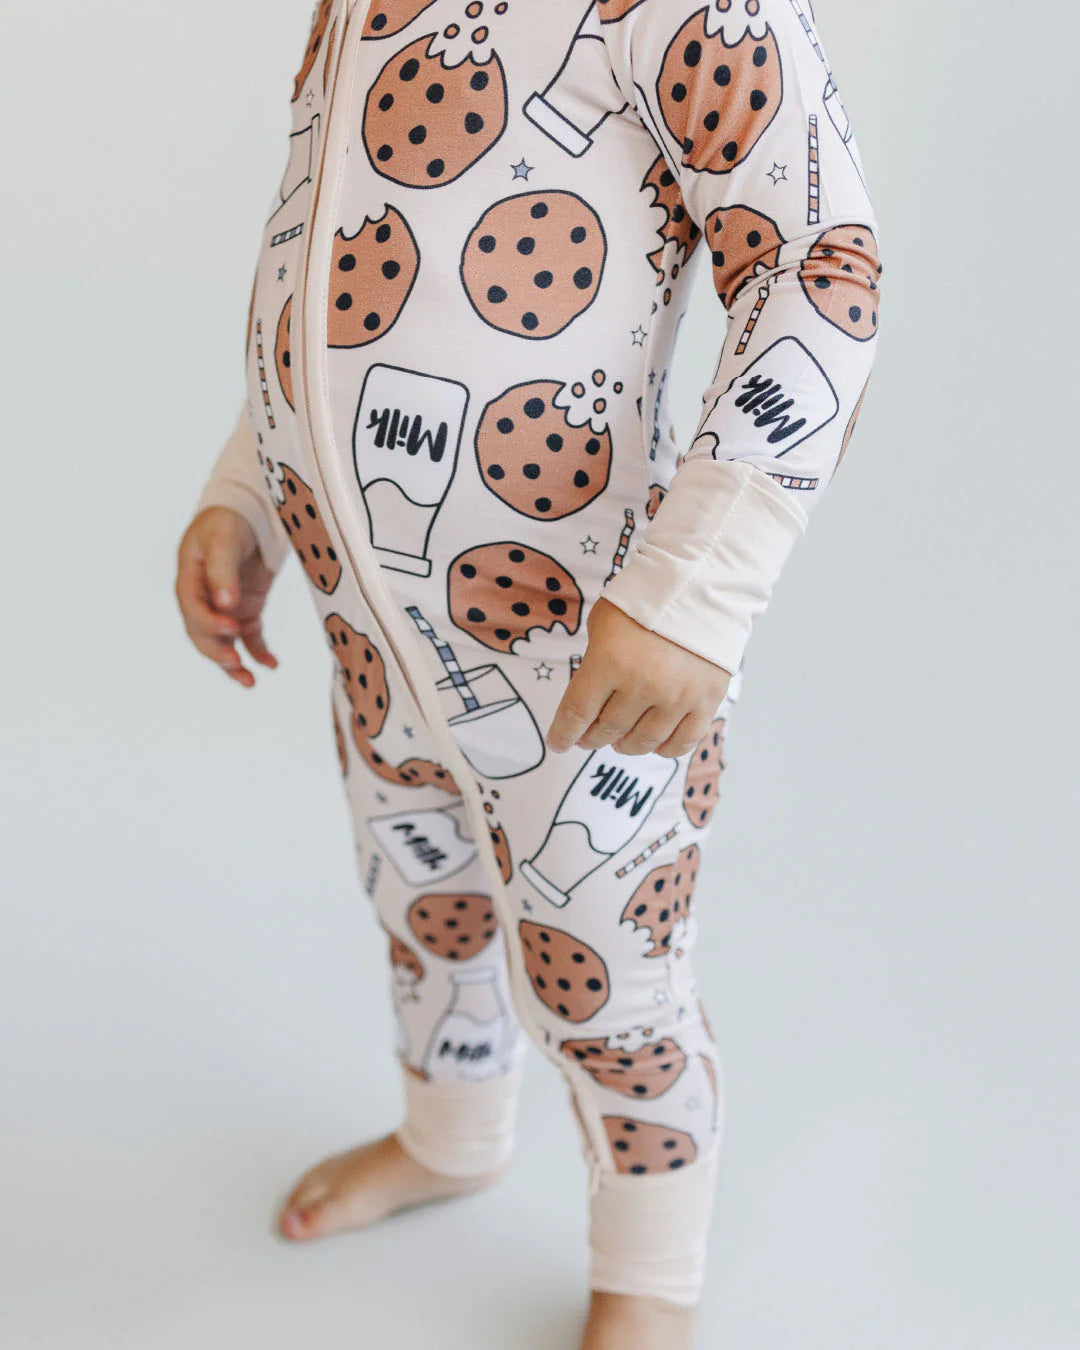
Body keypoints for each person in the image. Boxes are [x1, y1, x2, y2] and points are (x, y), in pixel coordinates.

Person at [174, 1, 882, 1345]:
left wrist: (698, 586)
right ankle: (450, 1135)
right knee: (423, 905)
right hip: (378, 645)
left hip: (589, 660)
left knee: (608, 985)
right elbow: (322, 281)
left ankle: (650, 1277)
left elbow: (817, 265)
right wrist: (247, 492)